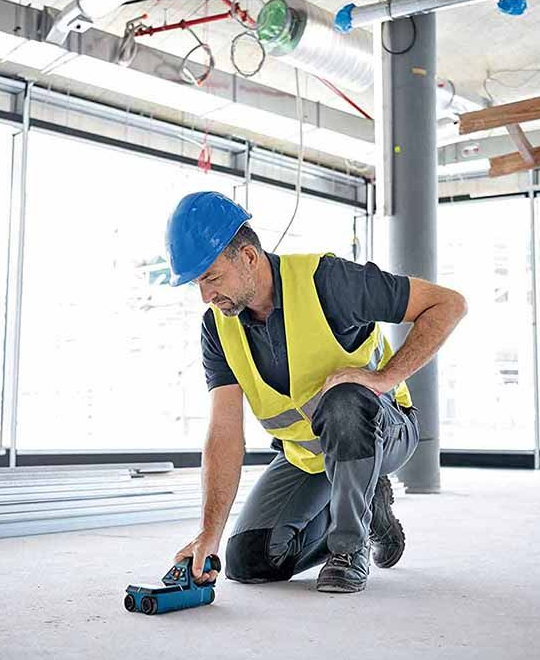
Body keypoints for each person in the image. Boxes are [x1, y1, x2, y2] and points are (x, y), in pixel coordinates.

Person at [167, 191, 466, 593]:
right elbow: (224, 431)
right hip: (308, 456)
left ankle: (349, 548)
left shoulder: (328, 282)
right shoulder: (218, 327)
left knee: (344, 400)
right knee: (250, 560)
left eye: (212, 278)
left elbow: (448, 304)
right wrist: (209, 534)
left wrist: (383, 378)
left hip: (384, 431)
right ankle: (368, 509)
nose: (206, 296)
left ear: (249, 257)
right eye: (197, 283)